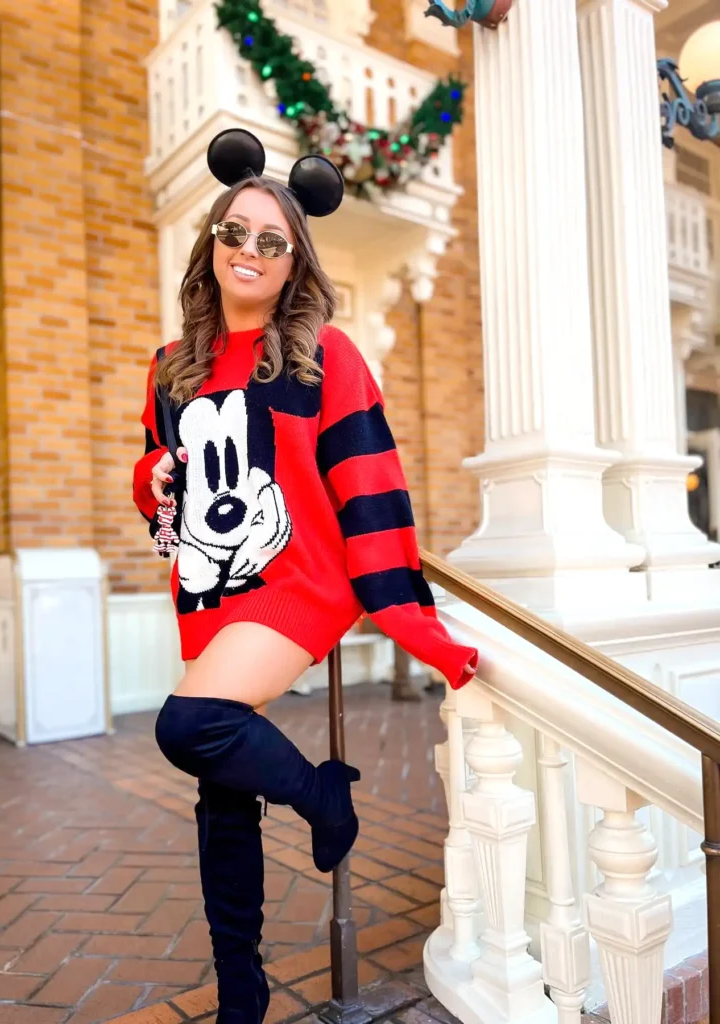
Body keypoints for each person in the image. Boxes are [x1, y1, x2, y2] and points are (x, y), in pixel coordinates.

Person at [132, 127, 478, 1024]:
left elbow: (369, 483)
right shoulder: (171, 369)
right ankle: (240, 989)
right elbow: (156, 487)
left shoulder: (326, 355)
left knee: (191, 725)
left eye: (271, 241)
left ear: (294, 263)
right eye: (234, 233)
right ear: (210, 246)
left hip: (299, 584)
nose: (249, 250)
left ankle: (325, 796)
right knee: (220, 790)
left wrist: (407, 617)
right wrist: (152, 480)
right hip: (210, 586)